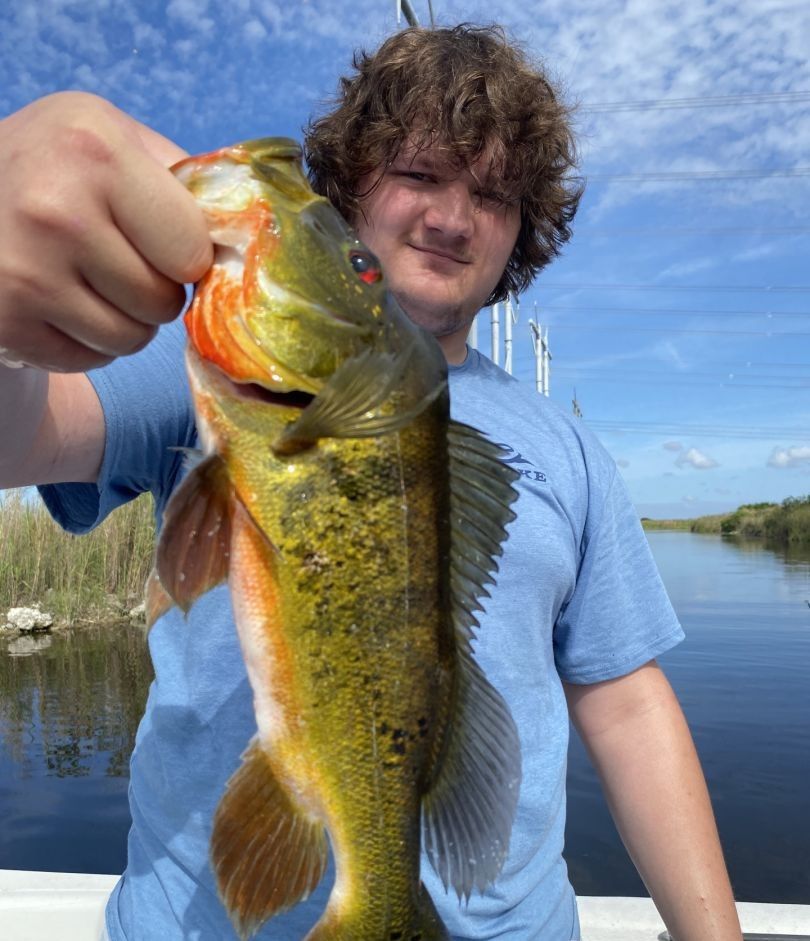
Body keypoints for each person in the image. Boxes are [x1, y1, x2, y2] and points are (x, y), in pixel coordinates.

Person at [0, 24, 743, 941]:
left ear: (523, 229)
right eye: (420, 174)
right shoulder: (214, 378)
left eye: (493, 194)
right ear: (349, 190)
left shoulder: (570, 448)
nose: (452, 218)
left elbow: (628, 706)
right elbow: (22, 435)